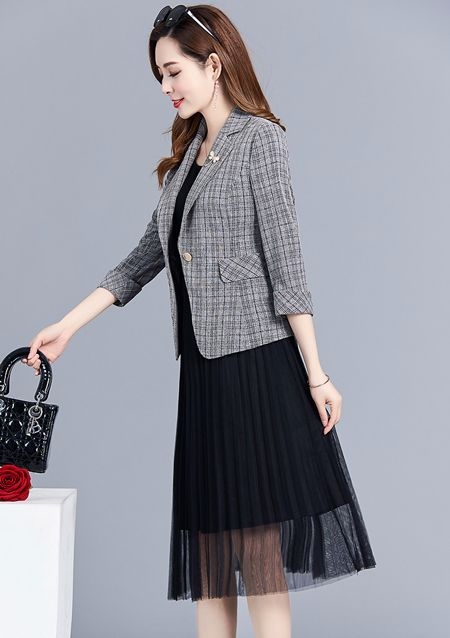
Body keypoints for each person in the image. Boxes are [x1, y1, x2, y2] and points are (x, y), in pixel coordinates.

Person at [22, 5, 376, 638]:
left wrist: (318, 375)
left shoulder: (260, 140)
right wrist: (68, 324)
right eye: (159, 76)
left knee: (258, 554)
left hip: (257, 369)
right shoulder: (188, 157)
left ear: (213, 64)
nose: (166, 87)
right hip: (205, 376)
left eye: (173, 71)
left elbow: (288, 265)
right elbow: (143, 258)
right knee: (211, 553)